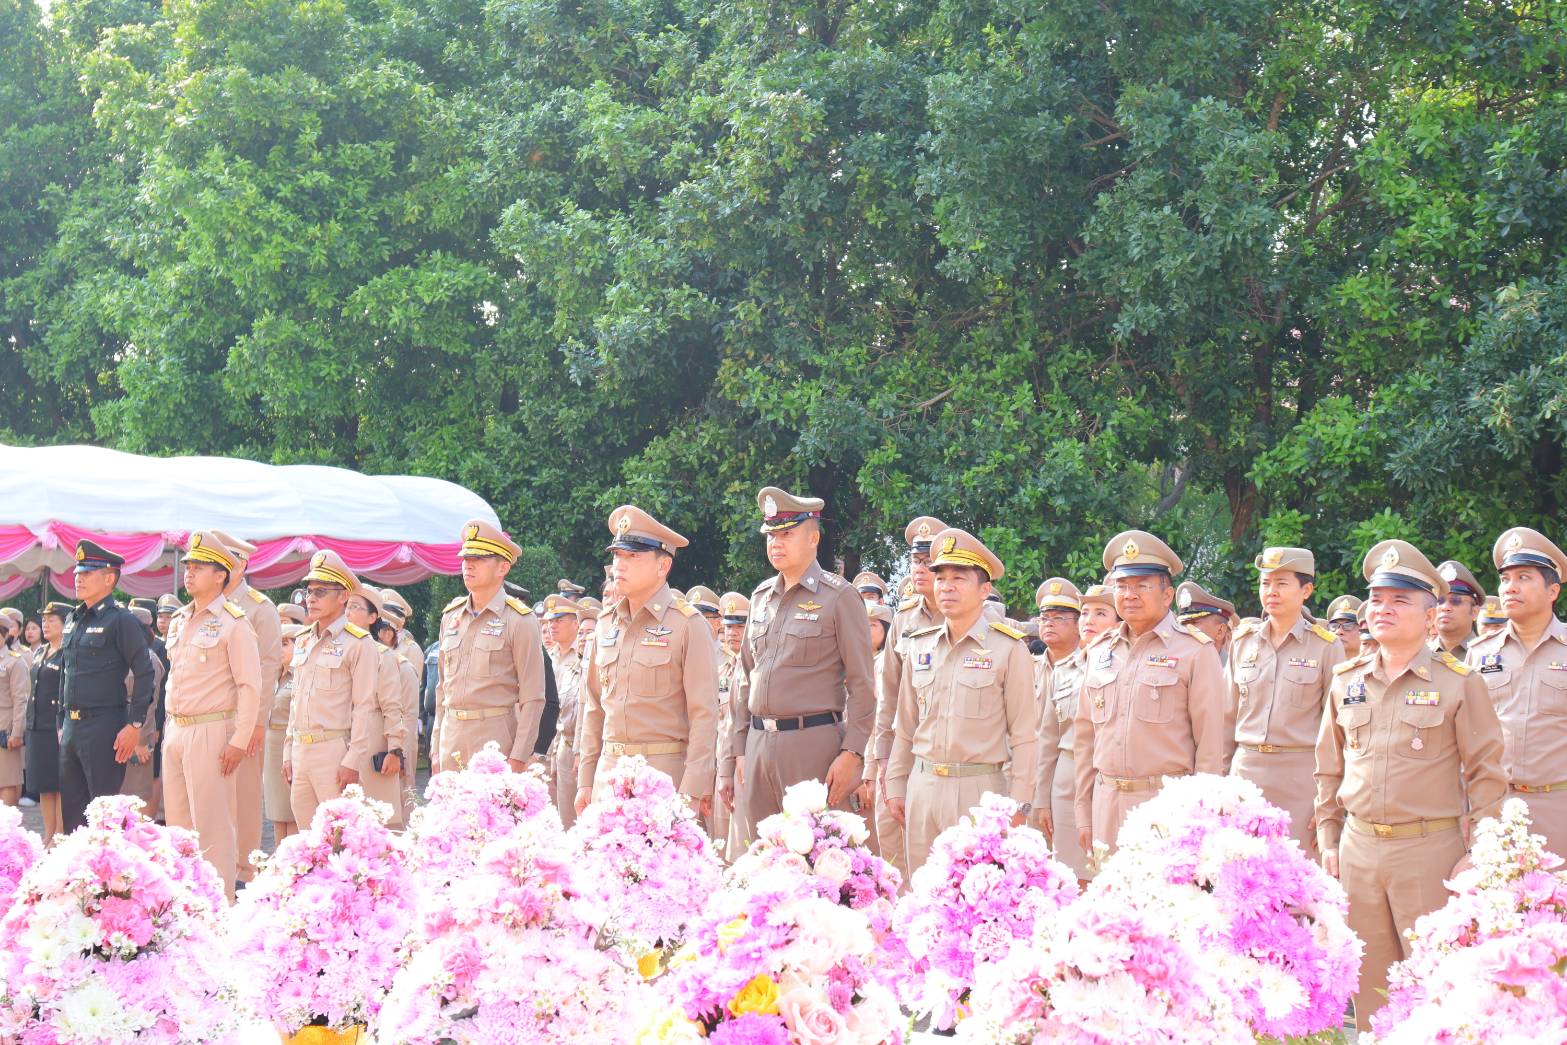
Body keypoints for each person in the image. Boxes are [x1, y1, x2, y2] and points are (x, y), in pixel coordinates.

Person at [1314, 538, 1507, 1031]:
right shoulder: (1346, 679)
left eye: (1400, 600)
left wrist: (1479, 852)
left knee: (1435, 986)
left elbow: (1487, 773)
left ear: (1429, 616)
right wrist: (1328, 838)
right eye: (1377, 599)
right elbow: (1328, 769)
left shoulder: (1459, 681)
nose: (1383, 609)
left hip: (1429, 853)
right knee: (1370, 991)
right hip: (1359, 851)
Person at [884, 528, 1036, 873]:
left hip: (980, 791)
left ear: (984, 590)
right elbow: (905, 726)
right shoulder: (919, 646)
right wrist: (895, 783)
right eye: (940, 578)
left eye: (959, 578)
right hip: (923, 785)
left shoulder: (1008, 649)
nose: (946, 586)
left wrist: (1020, 803)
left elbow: (1025, 735)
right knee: (924, 887)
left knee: (978, 892)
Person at [727, 487, 875, 833]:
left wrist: (852, 753)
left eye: (787, 535)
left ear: (813, 539)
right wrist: (739, 749)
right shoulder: (760, 597)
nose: (776, 544)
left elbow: (862, 685)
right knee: (762, 853)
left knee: (818, 851)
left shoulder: (839, 597)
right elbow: (745, 677)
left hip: (812, 745)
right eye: (771, 536)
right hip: (758, 745)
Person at [1073, 530, 1225, 860]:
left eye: (1142, 586)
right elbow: (1084, 740)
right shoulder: (1099, 651)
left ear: (1167, 595)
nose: (1130, 595)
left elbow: (1211, 747)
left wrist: (1201, 821)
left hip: (1166, 807)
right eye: (1122, 586)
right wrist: (1084, 811)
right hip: (1106, 804)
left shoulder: (1195, 651)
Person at [576, 506, 719, 813]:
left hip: (663, 778)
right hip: (608, 777)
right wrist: (586, 780)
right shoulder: (605, 623)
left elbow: (704, 716)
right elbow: (594, 707)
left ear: (662, 565)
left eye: (632, 556)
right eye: (617, 555)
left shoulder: (688, 625)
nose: (619, 565)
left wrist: (692, 792)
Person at [161, 532, 263, 898]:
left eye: (199, 567)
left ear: (221, 575)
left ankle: (220, 905)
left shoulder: (235, 623)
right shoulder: (179, 619)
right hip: (176, 729)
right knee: (178, 828)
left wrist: (239, 740)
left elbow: (250, 686)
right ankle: (184, 905)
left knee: (213, 828)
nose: (189, 573)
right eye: (188, 566)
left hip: (211, 730)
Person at [1224, 547, 1344, 851]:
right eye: (1265, 583)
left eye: (1281, 583)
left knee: (1298, 870)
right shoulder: (1242, 642)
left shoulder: (1326, 647)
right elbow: (1225, 719)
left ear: (1306, 590)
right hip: (1246, 775)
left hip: (1301, 780)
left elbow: (1337, 730)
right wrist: (1219, 782)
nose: (1271, 592)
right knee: (1241, 866)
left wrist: (1330, 804)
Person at [1466, 526, 1567, 856]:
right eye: (1505, 579)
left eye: (1524, 578)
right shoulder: (1480, 653)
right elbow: (1466, 737)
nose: (1510, 587)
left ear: (1553, 591)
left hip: (1558, 806)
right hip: (1493, 808)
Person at [864, 515, 946, 883]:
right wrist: (882, 759)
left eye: (930, 561)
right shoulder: (904, 619)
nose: (921, 568)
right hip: (903, 750)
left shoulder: (972, 616)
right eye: (916, 560)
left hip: (948, 755)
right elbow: (889, 697)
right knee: (894, 849)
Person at [429, 520, 547, 774]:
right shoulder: (451, 616)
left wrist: (519, 756)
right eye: (465, 558)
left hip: (495, 739)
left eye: (479, 558)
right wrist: (436, 746)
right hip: (451, 738)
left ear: (503, 567)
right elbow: (442, 689)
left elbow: (533, 697)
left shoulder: (519, 619)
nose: (468, 565)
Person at [59, 540, 157, 832]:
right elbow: (66, 672)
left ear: (109, 579)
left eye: (87, 573)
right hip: (72, 727)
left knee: (104, 815)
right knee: (73, 816)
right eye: (78, 573)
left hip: (104, 727)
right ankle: (78, 863)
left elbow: (145, 672)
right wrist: (61, 722)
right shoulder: (74, 618)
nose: (79, 579)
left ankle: (108, 862)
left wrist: (135, 724)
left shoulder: (120, 620)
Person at [282, 550, 380, 830]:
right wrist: (288, 750)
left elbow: (364, 707)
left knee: (339, 837)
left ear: (343, 596)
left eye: (321, 591)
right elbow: (296, 700)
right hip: (301, 750)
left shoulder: (358, 644)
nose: (310, 598)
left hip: (333, 752)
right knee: (307, 839)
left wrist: (353, 760)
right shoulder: (303, 639)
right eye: (308, 591)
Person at [1033, 577, 1089, 880]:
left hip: (1072, 780)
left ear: (1078, 624)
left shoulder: (1090, 668)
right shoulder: (1027, 666)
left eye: (1059, 618)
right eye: (1045, 618)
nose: (1049, 624)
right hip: (1032, 780)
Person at [343, 585, 410, 825]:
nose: (347, 612)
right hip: (341, 739)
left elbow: (392, 705)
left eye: (355, 607)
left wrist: (394, 750)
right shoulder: (337, 649)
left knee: (377, 818)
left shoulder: (382, 654)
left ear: (372, 618)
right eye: (346, 606)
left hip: (372, 739)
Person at [26, 603, 71, 841]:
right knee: (44, 783)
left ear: (65, 623)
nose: (46, 624)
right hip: (37, 724)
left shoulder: (68, 652)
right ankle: (48, 832)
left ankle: (60, 834)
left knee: (60, 783)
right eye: (44, 620)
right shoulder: (40, 651)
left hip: (56, 727)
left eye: (52, 620)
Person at [538, 594, 582, 826]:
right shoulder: (547, 656)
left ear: (575, 623)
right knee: (551, 817)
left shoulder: (584, 655)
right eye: (550, 621)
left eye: (558, 620)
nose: (552, 626)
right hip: (547, 746)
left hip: (572, 744)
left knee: (574, 818)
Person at [714, 591, 750, 859]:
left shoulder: (752, 667)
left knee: (743, 847)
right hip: (724, 765)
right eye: (728, 627)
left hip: (747, 765)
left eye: (740, 627)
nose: (733, 633)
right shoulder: (726, 669)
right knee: (721, 842)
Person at [265, 623, 306, 844]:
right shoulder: (274, 675)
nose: (279, 649)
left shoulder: (301, 673)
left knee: (292, 811)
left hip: (289, 744)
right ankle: (278, 854)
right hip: (271, 745)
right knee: (276, 811)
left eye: (284, 643)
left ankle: (291, 854)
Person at [0, 614, 28, 807]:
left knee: (7, 779)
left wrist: (17, 732)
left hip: (5, 727)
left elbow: (21, 699)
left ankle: (5, 823)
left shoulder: (14, 662)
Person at [1174, 581, 1236, 664]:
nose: (1185, 629)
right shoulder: (1178, 664)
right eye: (1183, 624)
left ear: (1220, 631)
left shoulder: (1234, 669)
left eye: (1194, 623)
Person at [1431, 560, 1483, 657]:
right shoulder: (1417, 654)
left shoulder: (1490, 654)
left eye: (1456, 601)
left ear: (1475, 612)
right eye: (1439, 601)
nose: (1445, 607)